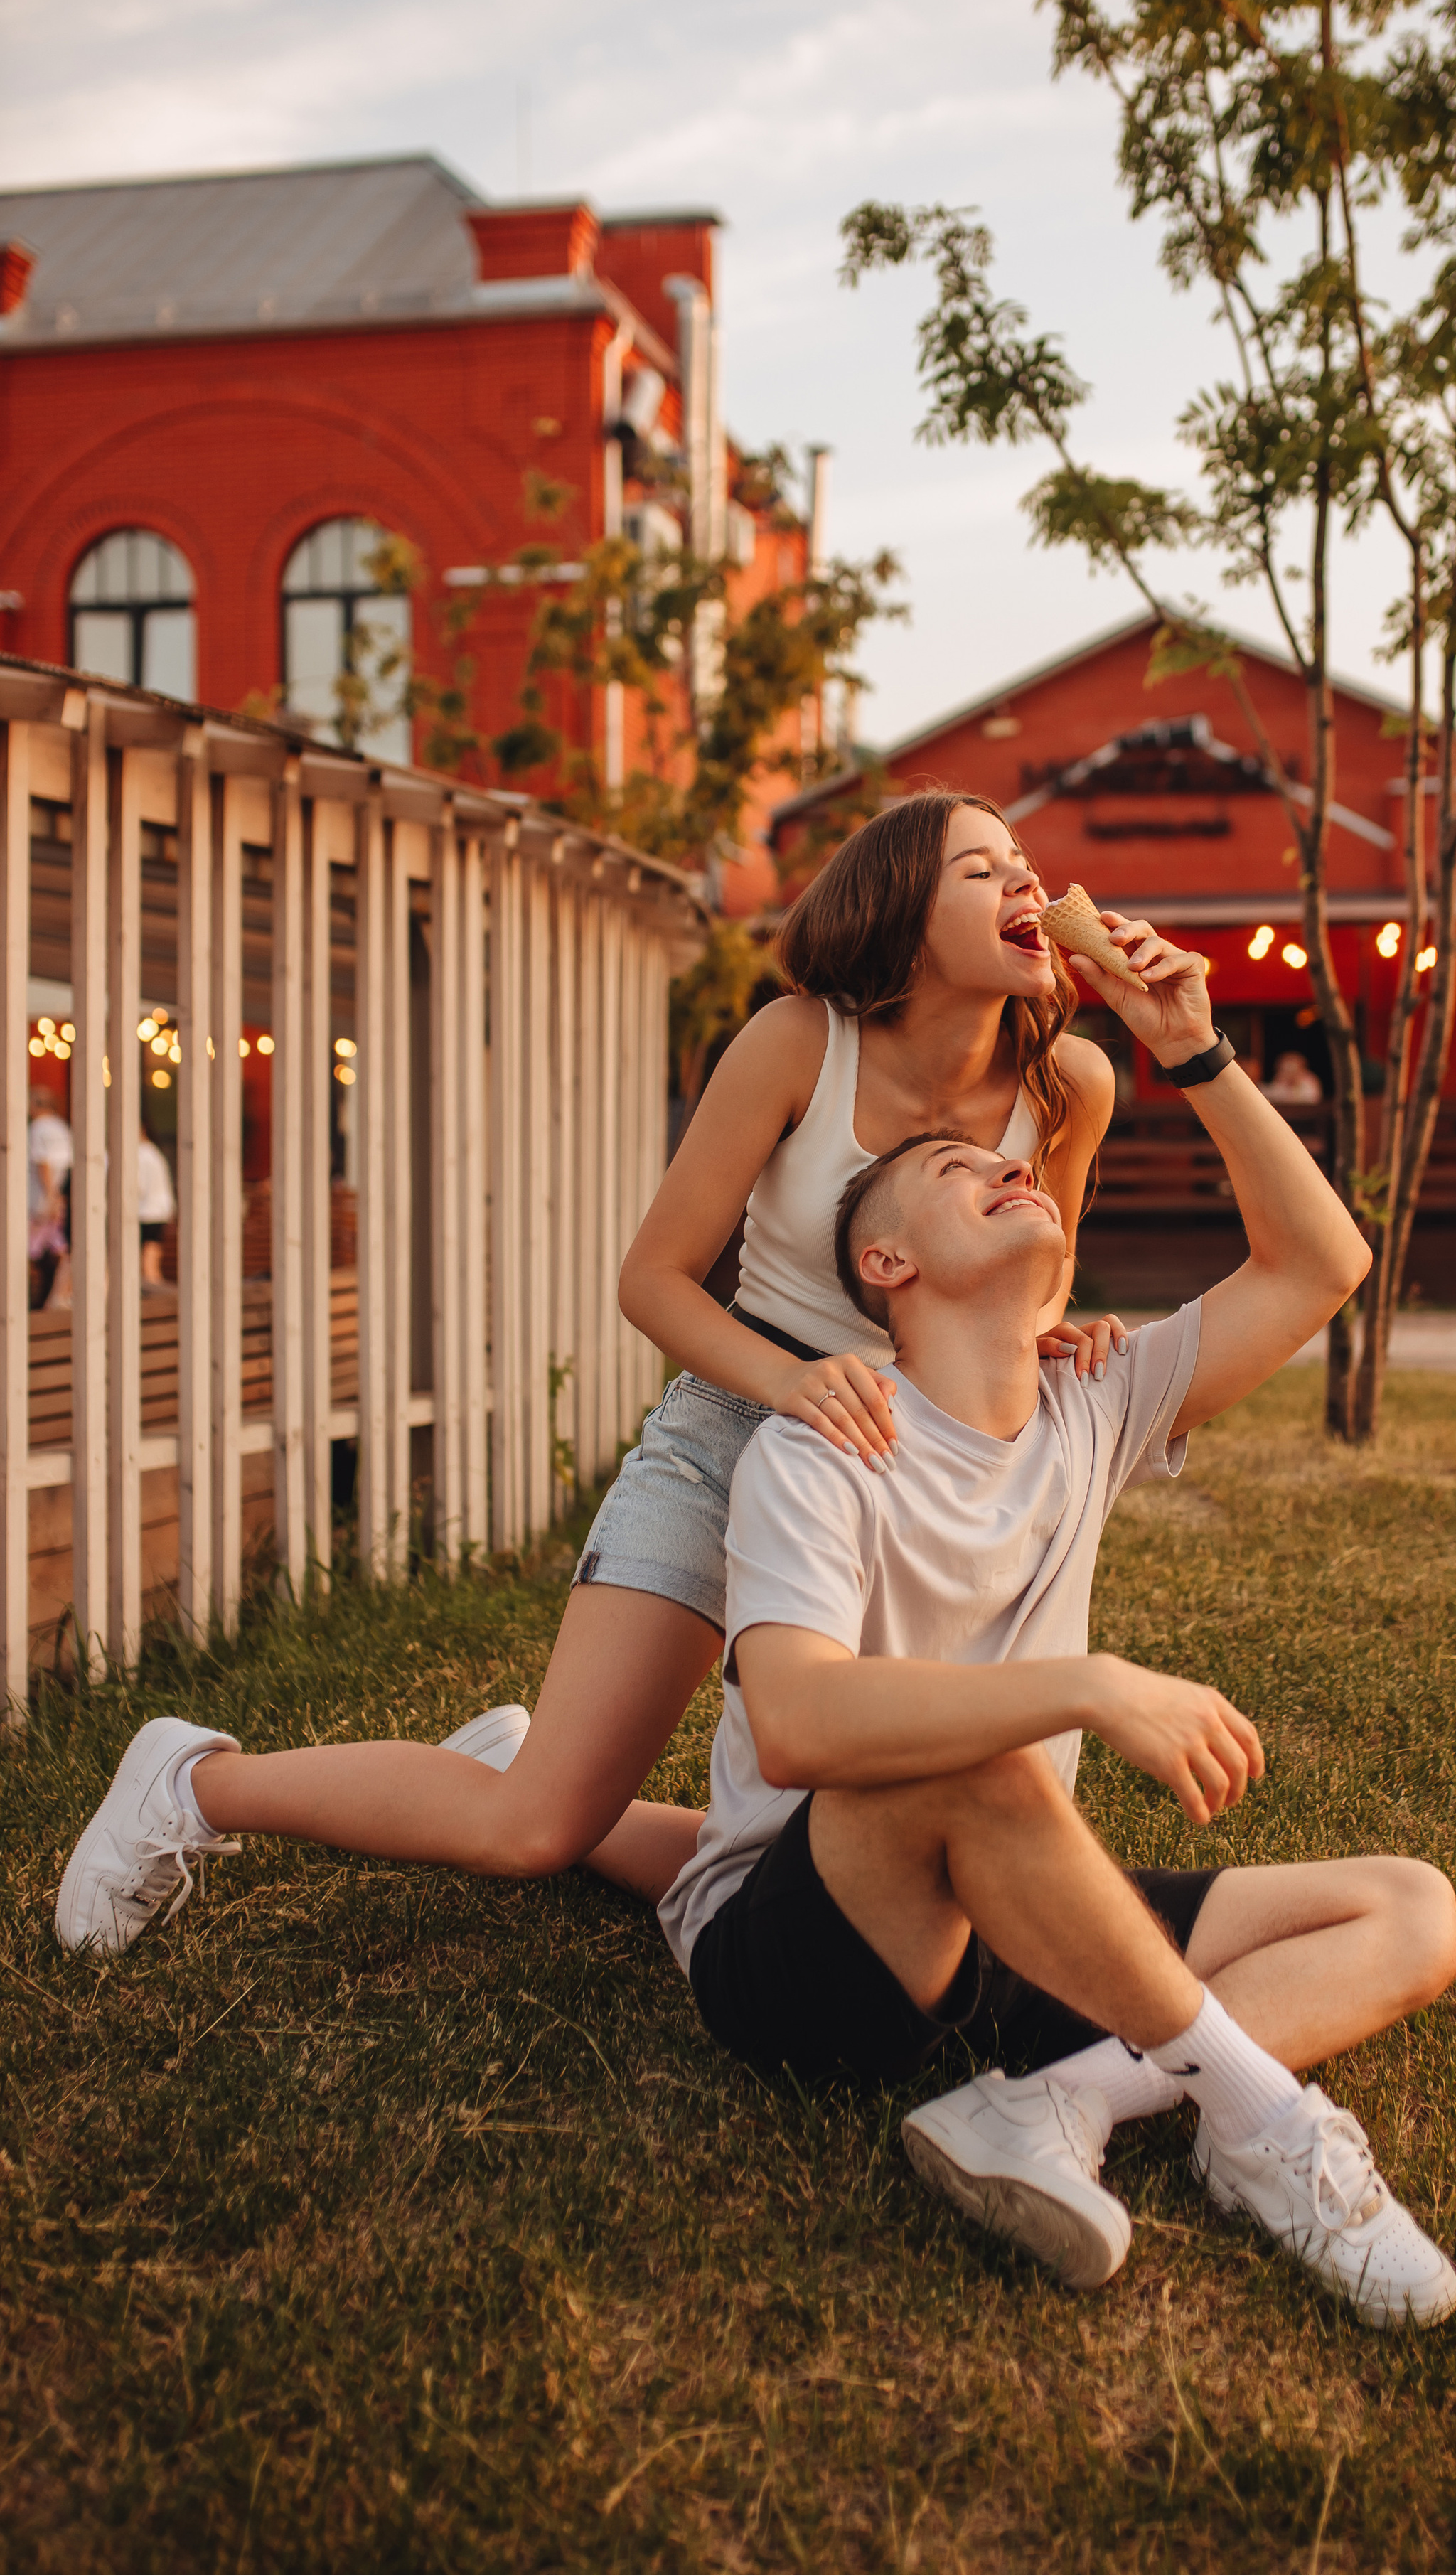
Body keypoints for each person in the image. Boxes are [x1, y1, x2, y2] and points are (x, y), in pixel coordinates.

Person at [55, 795, 1130, 1949]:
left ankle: (513, 1757)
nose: (1027, 886)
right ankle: (196, 1783)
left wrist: (1061, 1330)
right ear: (901, 915)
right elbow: (655, 1281)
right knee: (531, 1829)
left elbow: (1034, 1278)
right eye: (983, 871)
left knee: (832, 1843)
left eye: (1027, 863)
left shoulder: (1068, 1083)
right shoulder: (799, 1044)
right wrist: (789, 1385)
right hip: (734, 1428)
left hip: (898, 1470)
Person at [660, 916, 1456, 2324]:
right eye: (961, 1172)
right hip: (817, 1959)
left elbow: (1317, 1263)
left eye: (1014, 1166)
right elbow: (792, 1723)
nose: (1009, 1169)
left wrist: (1193, 1051)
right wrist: (1086, 1686)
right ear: (885, 1268)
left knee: (1409, 1912)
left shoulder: (1093, 1405)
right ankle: (1267, 2130)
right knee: (983, 1761)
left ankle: (1042, 2110)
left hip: (1005, 1930)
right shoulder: (820, 1443)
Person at [28, 1083, 73, 1310]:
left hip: (42, 1202)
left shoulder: (38, 1128)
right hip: (61, 1197)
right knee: (55, 1249)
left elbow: (42, 1164)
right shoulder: (62, 1127)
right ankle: (50, 1297)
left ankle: (40, 1302)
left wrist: (50, 1197)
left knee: (35, 1252)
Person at [138, 1125, 176, 1286]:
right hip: (158, 1211)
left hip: (146, 1212)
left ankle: (154, 1294)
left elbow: (137, 1186)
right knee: (152, 1256)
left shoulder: (141, 1155)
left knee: (147, 1260)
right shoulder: (154, 1153)